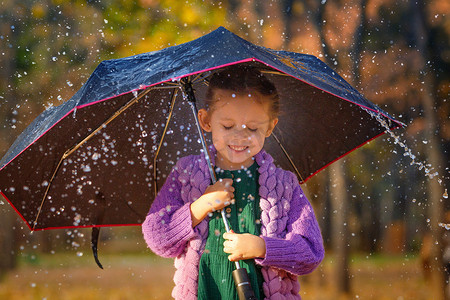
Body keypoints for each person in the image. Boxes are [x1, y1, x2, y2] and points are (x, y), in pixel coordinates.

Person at [142, 65, 324, 300]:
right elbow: (158, 237)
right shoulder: (186, 173)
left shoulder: (283, 185)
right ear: (206, 121)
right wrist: (201, 206)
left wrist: (262, 247)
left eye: (253, 128)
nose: (240, 136)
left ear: (270, 127)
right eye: (228, 126)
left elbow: (310, 253)